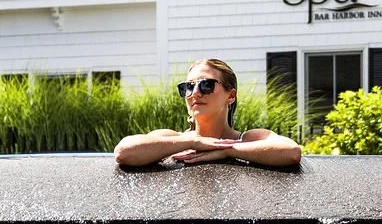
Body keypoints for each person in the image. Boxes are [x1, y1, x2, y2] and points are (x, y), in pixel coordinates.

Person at [113, 58, 302, 170]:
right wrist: (193, 142)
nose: (195, 93)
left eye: (206, 85)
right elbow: (124, 152)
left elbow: (291, 152)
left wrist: (226, 150)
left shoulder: (250, 139)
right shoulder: (171, 139)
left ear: (231, 96)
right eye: (188, 86)